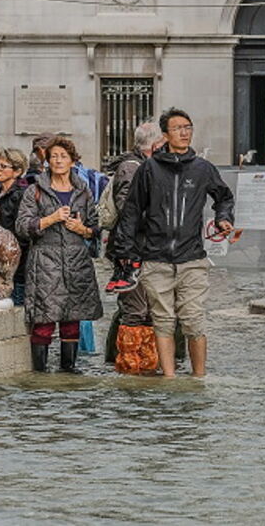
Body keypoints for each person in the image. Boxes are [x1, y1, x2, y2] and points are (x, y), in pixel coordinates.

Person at [111, 109, 235, 378]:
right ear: (165, 135)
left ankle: (199, 377)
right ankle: (170, 378)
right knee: (163, 321)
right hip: (156, 258)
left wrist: (224, 218)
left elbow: (224, 197)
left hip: (192, 258)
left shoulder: (203, 168)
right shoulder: (149, 169)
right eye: (178, 128)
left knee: (193, 320)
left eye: (188, 127)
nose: (184, 132)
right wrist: (126, 253)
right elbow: (131, 212)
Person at [16, 137, 104, 372]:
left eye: (63, 156)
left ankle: (69, 369)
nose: (58, 160)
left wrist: (82, 229)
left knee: (72, 319)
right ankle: (40, 372)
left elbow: (96, 227)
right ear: (47, 161)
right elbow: (22, 226)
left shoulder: (83, 191)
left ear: (72, 160)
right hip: (45, 261)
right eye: (54, 156)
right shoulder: (35, 190)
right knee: (43, 320)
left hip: (76, 261)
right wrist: (50, 219)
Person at [103, 122, 166, 375]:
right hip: (132, 250)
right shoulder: (131, 168)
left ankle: (148, 364)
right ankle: (131, 367)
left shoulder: (145, 166)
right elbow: (129, 210)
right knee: (136, 310)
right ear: (154, 145)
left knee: (149, 309)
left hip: (146, 248)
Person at [0, 148, 29, 306]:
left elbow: (22, 232)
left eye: (3, 166)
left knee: (16, 305)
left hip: (17, 264)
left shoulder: (21, 194)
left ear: (17, 171)